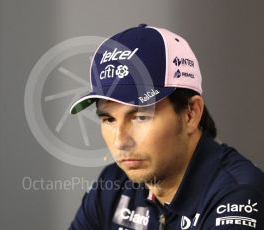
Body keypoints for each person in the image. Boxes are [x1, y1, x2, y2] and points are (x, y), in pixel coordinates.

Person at [68, 24, 264, 229]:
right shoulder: (113, 185)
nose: (120, 141)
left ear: (191, 114)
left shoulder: (239, 195)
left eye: (141, 117)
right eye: (109, 120)